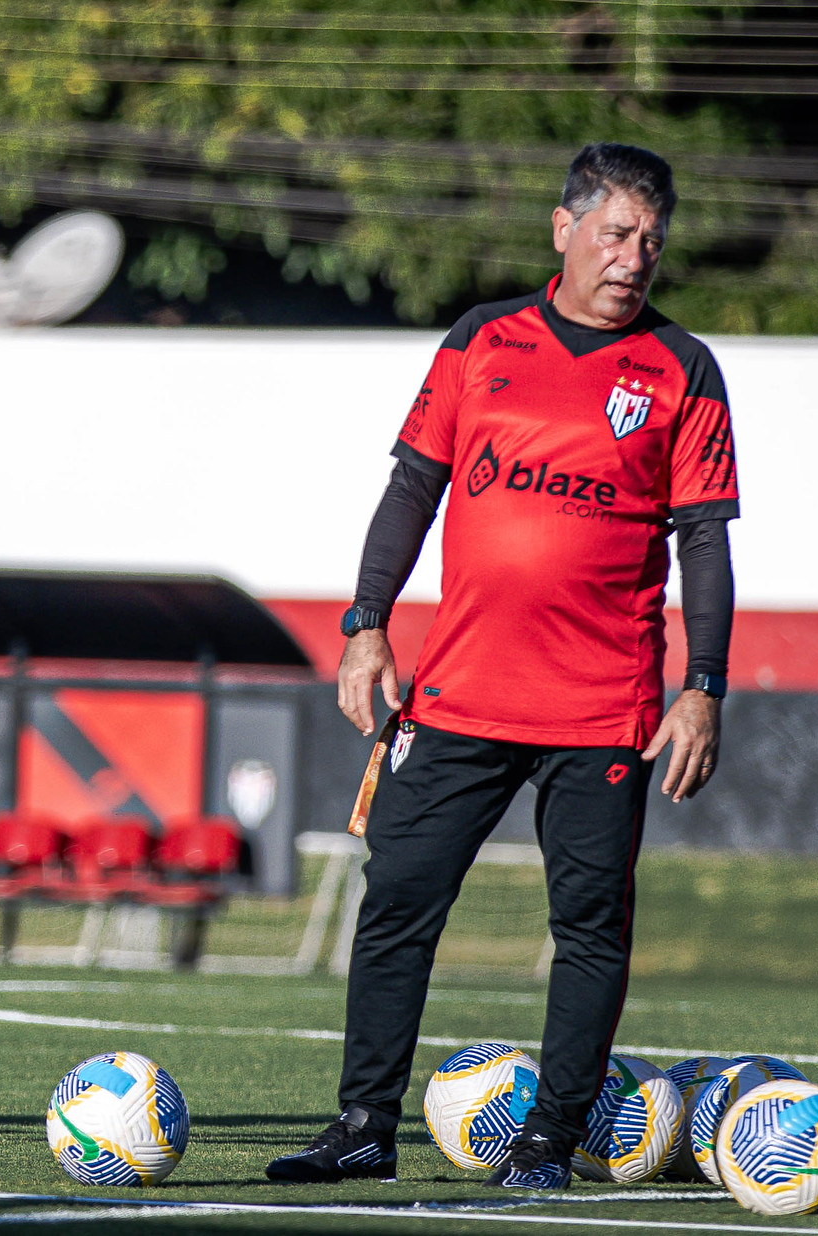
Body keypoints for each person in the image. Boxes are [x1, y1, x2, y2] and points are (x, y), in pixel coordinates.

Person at [267, 143, 737, 1191]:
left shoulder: (679, 369)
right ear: (562, 229)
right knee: (395, 901)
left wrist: (700, 685)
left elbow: (703, 540)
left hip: (602, 708)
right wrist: (363, 624)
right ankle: (359, 1125)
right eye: (615, 234)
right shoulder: (481, 339)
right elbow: (410, 490)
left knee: (587, 927)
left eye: (649, 241)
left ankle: (547, 1141)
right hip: (460, 692)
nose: (633, 258)